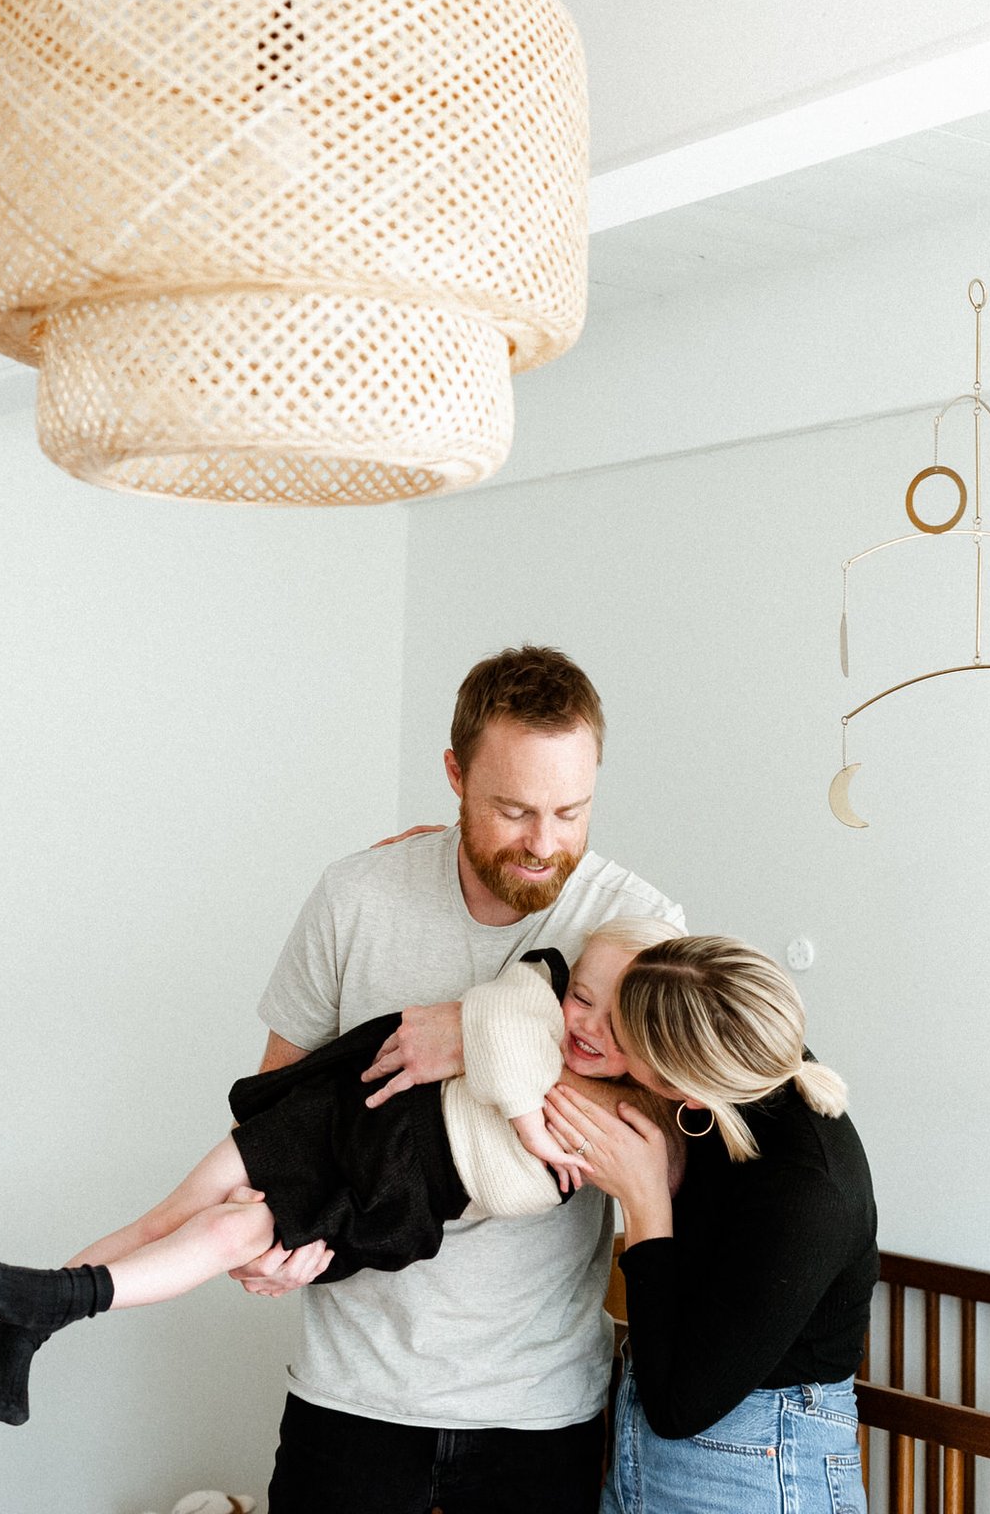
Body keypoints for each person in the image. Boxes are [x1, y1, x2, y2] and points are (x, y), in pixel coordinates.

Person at [247, 646, 685, 1514]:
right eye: (514, 810)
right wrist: (266, 1226)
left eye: (571, 810)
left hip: (540, 1411)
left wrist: (478, 1034)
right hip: (351, 1392)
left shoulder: (639, 925)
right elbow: (276, 1106)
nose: (544, 843)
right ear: (455, 775)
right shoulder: (356, 897)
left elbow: (661, 1143)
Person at [0, 920, 682, 1425]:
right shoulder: (538, 991)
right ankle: (30, 1326)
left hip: (385, 1194)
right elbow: (493, 1025)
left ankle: (47, 1305)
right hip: (342, 1113)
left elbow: (509, 1185)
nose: (587, 1025)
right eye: (583, 998)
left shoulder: (614, 1119)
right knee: (169, 1215)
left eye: (618, 1025)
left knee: (228, 1231)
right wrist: (531, 1125)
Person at [543, 936, 877, 1514]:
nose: (603, 1039)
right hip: (647, 1447)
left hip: (758, 1465)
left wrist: (644, 1201)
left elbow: (676, 1406)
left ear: (685, 1090)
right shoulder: (736, 1052)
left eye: (623, 1039)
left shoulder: (807, 1191)